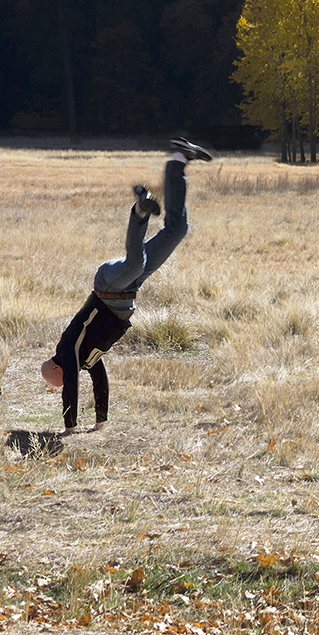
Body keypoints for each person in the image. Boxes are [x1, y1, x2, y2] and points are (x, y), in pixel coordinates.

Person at [41, 137, 213, 435]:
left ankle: (140, 212)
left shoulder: (67, 349)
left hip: (108, 285)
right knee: (177, 229)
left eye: (58, 379)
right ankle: (178, 161)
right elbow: (99, 379)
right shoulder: (86, 358)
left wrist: (69, 429)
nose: (64, 380)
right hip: (129, 288)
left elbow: (72, 384)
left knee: (135, 263)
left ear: (57, 368)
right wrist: (100, 423)